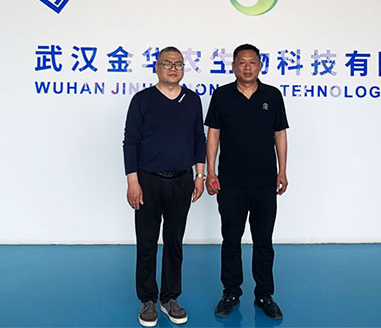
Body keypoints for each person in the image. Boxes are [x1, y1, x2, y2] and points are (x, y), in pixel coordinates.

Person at [205, 43, 289, 320]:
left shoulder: (272, 96)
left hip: (265, 182)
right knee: (231, 239)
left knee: (263, 241)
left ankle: (265, 294)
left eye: (252, 62)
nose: (247, 67)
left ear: (260, 65)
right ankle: (230, 292)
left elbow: (280, 134)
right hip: (231, 182)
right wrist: (211, 172)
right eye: (241, 62)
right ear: (233, 66)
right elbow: (213, 134)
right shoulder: (222, 95)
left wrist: (282, 171)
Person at [123, 46, 206, 327]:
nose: (173, 68)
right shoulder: (142, 100)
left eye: (178, 63)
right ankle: (147, 299)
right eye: (167, 63)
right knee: (147, 242)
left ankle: (170, 298)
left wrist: (199, 175)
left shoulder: (192, 100)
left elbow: (198, 139)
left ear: (184, 68)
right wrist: (133, 181)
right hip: (147, 180)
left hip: (182, 180)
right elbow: (130, 141)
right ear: (156, 67)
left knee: (174, 242)